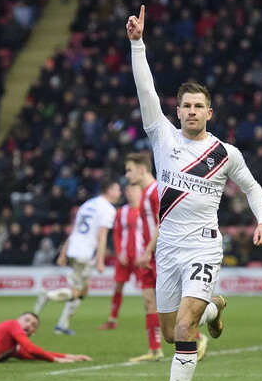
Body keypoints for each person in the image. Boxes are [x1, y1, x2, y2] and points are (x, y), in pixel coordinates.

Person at [128, 5, 262, 381]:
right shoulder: (162, 138)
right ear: (177, 111)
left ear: (210, 112)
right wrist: (138, 45)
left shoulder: (226, 153)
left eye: (199, 106)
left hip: (204, 245)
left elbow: (252, 188)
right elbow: (146, 92)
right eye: (186, 105)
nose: (192, 111)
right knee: (173, 332)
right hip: (169, 249)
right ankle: (215, 307)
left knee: (186, 327)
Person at [33, 176, 121, 335]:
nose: (119, 192)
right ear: (109, 190)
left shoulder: (87, 205)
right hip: (84, 254)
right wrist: (100, 261)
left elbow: (74, 230)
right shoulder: (108, 209)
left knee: (83, 289)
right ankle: (49, 295)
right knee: (78, 291)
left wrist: (63, 253)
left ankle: (62, 325)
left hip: (74, 249)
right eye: (117, 189)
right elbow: (102, 237)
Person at [124, 152, 166, 363]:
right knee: (149, 302)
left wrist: (149, 250)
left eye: (129, 170)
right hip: (149, 256)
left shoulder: (155, 192)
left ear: (142, 169)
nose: (127, 175)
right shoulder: (144, 194)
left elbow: (163, 223)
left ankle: (196, 337)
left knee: (171, 303)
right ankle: (155, 349)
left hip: (160, 255)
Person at [99, 184, 143, 331]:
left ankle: (157, 320)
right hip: (124, 257)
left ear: (140, 192)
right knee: (118, 286)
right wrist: (119, 252)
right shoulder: (121, 212)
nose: (131, 193)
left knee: (151, 290)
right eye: (129, 190)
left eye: (134, 190)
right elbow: (116, 233)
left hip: (141, 258)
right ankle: (112, 319)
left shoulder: (146, 210)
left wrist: (145, 253)